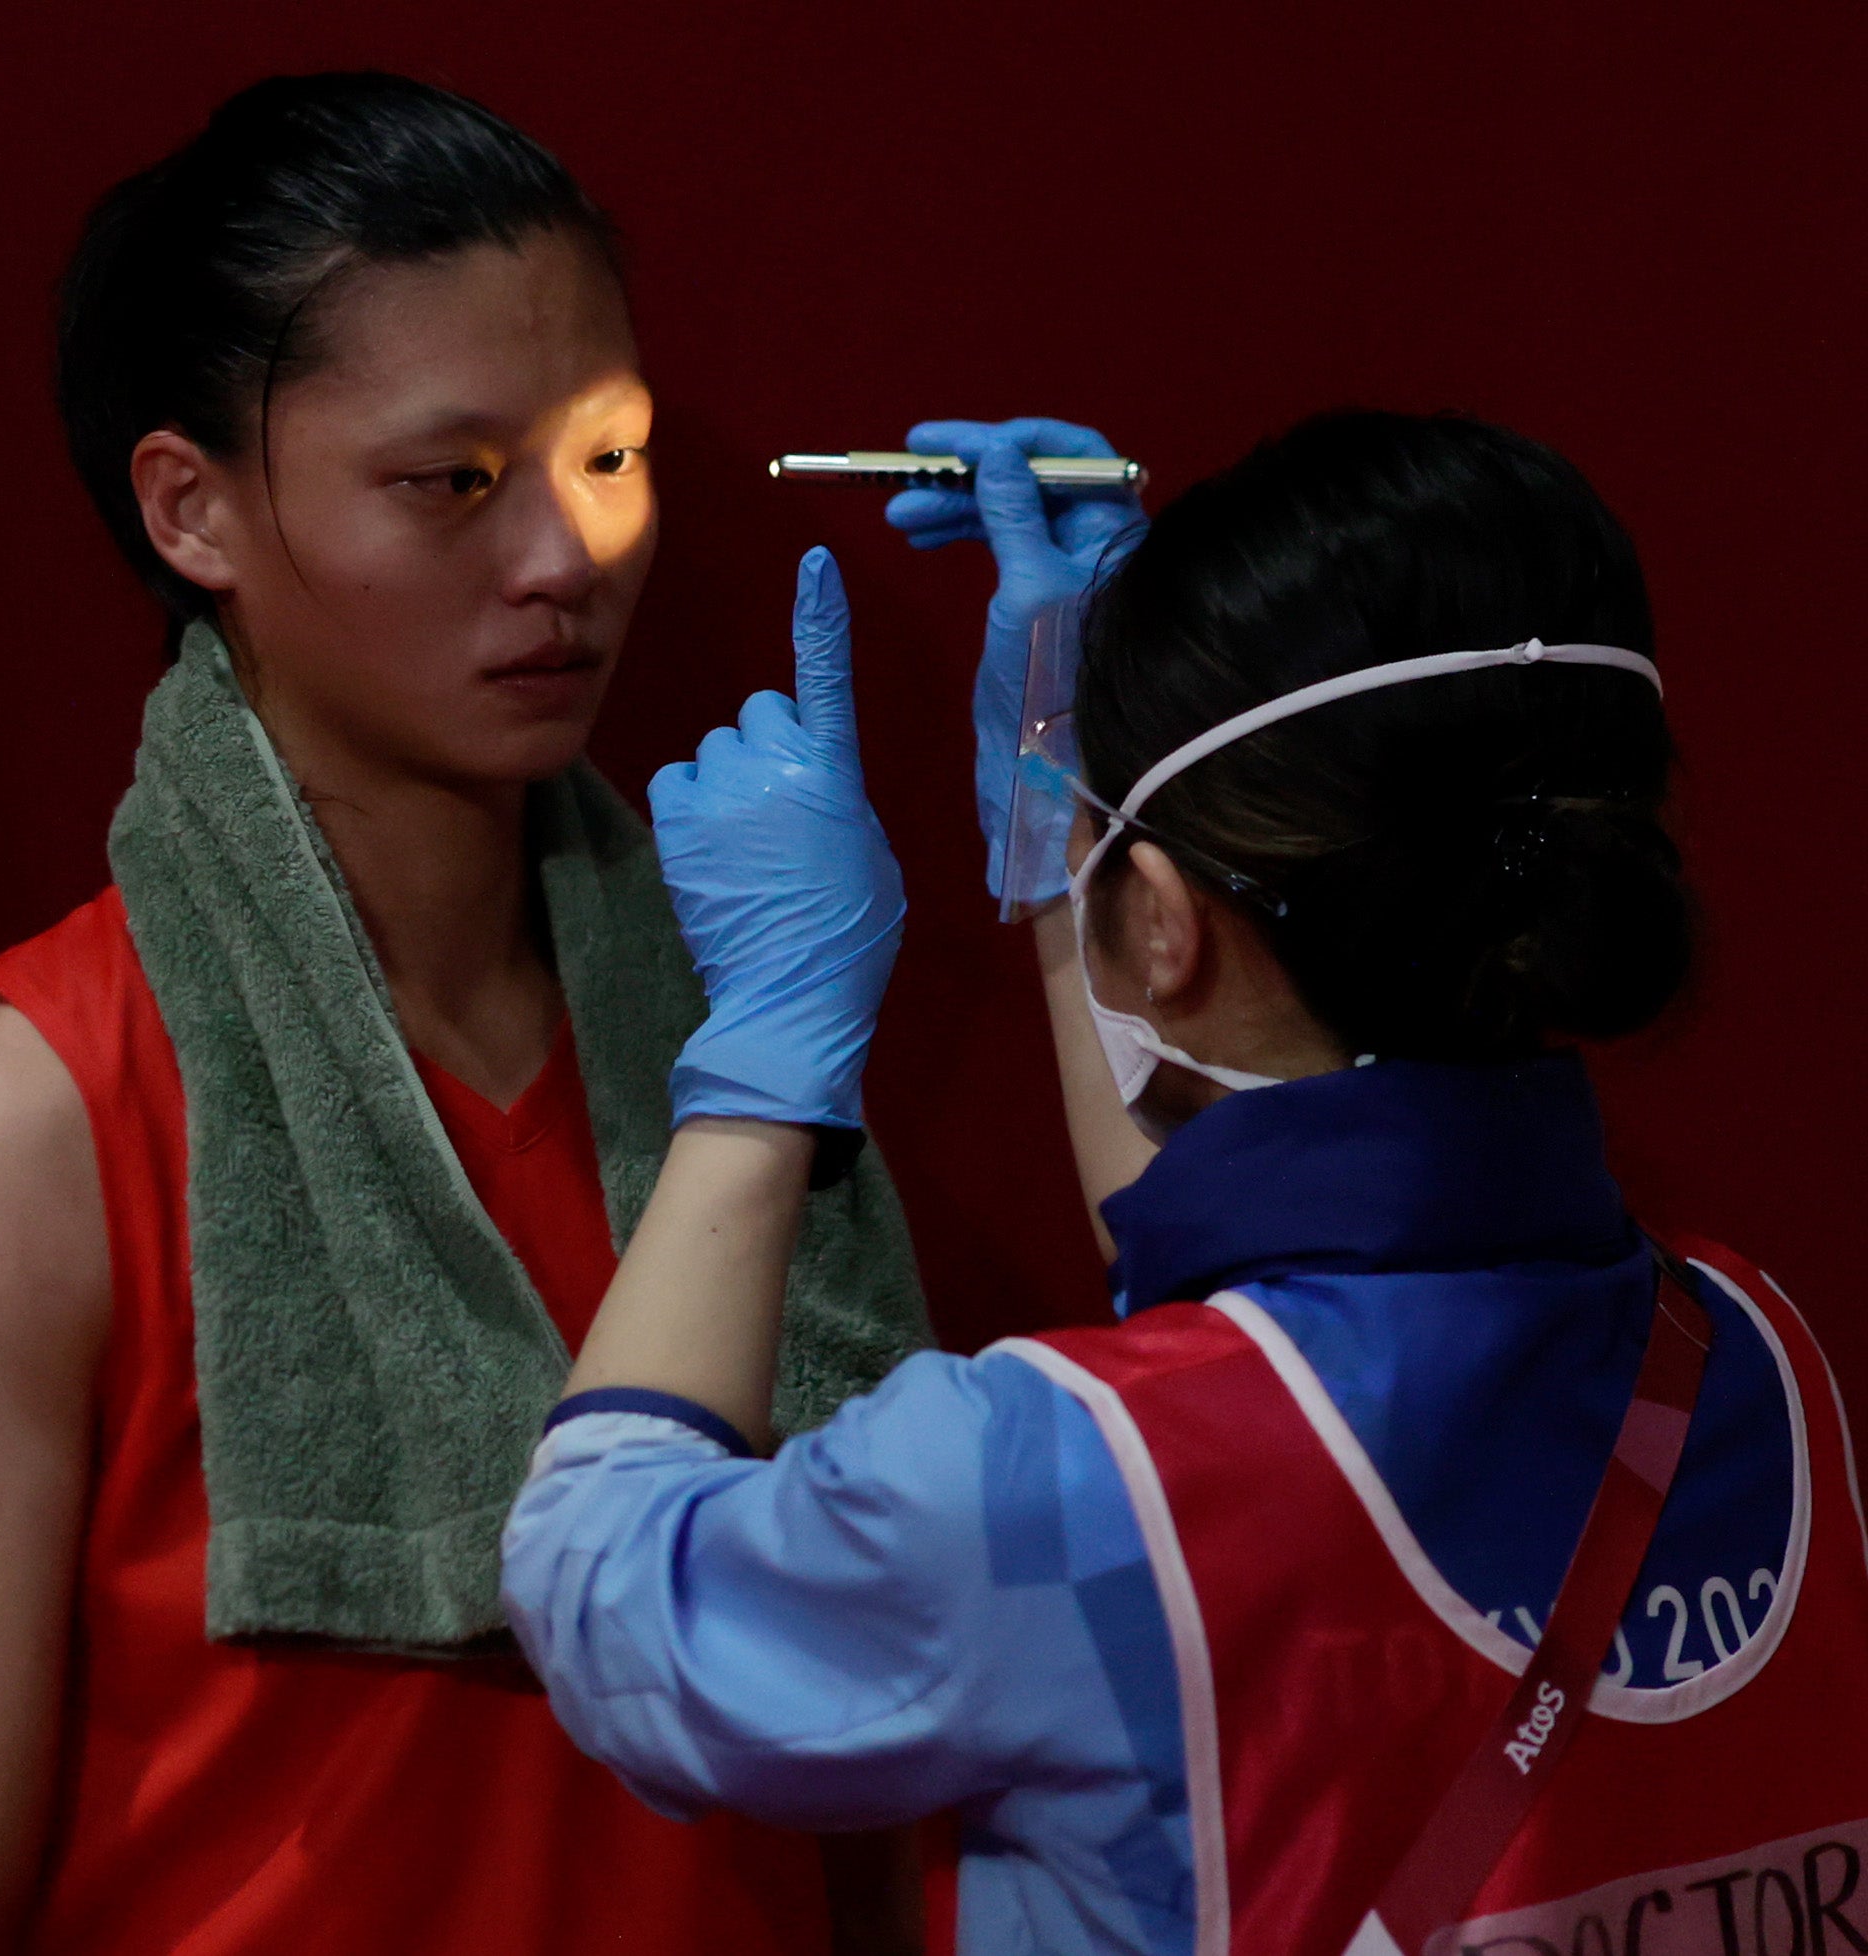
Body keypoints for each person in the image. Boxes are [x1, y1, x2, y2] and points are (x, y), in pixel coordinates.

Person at [0, 73, 929, 1955]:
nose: (567, 557)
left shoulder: (744, 1038)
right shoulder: (28, 1120)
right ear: (194, 509)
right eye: (451, 482)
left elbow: (898, 1723)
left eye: (611, 458)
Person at [500, 410, 1868, 1955]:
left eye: (1105, 856)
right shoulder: (1766, 1360)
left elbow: (601, 1584)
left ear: (1158, 921)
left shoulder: (1036, 1478)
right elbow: (1243, 1354)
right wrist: (1061, 847)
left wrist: (765, 1047)